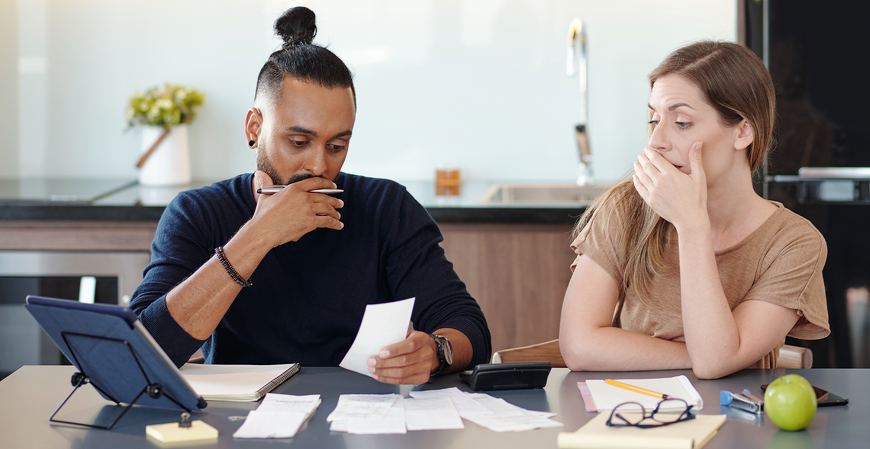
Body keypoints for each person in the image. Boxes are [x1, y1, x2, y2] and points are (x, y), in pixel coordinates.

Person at [130, 6, 491, 386]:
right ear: (255, 127)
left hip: (362, 422)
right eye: (299, 141)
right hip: (239, 422)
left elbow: (469, 328)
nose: (318, 165)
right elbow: (143, 350)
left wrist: (435, 352)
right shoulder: (197, 213)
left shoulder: (386, 207)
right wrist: (259, 235)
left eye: (336, 146)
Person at [559, 41, 829, 379]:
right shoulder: (625, 207)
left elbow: (714, 361)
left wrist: (691, 225)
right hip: (629, 417)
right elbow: (579, 345)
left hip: (738, 425)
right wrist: (702, 353)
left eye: (682, 122)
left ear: (743, 131)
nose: (656, 141)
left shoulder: (794, 243)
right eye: (654, 119)